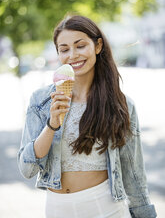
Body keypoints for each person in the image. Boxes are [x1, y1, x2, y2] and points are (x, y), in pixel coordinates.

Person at [17, 15, 157, 218]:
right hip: (57, 210)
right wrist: (52, 124)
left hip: (106, 208)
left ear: (98, 45)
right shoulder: (42, 101)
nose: (72, 55)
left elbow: (133, 174)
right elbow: (27, 169)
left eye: (80, 46)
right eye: (64, 49)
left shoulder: (121, 105)